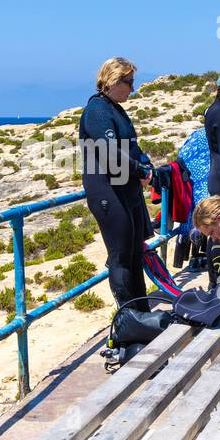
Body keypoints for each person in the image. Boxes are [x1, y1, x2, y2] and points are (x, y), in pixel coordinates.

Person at [79, 57, 153, 306]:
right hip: (107, 192)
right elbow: (111, 154)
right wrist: (141, 172)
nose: (133, 88)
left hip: (124, 188)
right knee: (120, 256)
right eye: (129, 82)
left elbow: (132, 147)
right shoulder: (97, 110)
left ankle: (141, 311)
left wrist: (146, 166)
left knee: (134, 254)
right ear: (112, 80)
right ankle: (127, 319)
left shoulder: (116, 110)